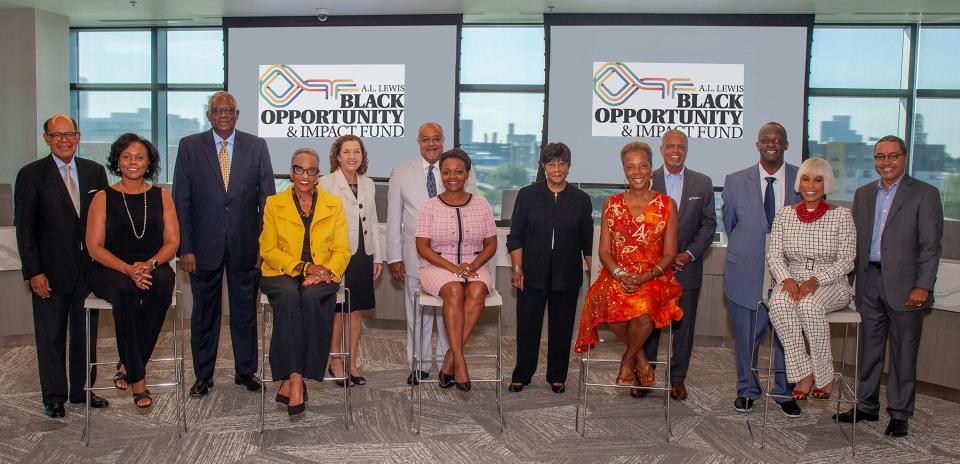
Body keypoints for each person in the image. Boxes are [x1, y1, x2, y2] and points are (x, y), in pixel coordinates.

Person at [834, 135, 943, 438]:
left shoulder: (925, 194)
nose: (886, 163)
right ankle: (866, 406)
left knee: (904, 353)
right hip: (869, 283)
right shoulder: (864, 194)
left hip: (907, 288)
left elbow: (930, 247)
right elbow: (855, 243)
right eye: (880, 157)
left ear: (904, 158)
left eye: (892, 156)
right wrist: (848, 284)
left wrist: (923, 285)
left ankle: (899, 413)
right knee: (868, 350)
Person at [173, 91, 275, 397]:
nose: (223, 114)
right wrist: (185, 248)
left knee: (245, 313)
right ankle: (203, 375)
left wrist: (264, 248)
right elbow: (182, 200)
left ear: (237, 114)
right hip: (202, 248)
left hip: (247, 246)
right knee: (204, 314)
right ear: (208, 115)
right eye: (217, 109)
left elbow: (267, 200)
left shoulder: (256, 146)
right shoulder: (190, 146)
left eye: (228, 109)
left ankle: (246, 371)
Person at [14, 114, 110, 417]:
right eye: (56, 135)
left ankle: (83, 391)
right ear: (47, 139)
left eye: (69, 134)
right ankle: (54, 397)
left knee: (85, 334)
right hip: (49, 273)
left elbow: (104, 222)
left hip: (89, 271)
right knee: (51, 335)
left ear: (78, 136)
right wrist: (34, 272)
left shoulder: (95, 172)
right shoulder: (31, 175)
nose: (64, 140)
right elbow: (24, 228)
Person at [574, 141, 683, 396]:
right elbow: (604, 251)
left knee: (643, 311)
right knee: (604, 301)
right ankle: (641, 358)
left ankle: (627, 359)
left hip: (654, 275)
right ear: (624, 170)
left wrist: (646, 275)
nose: (637, 172)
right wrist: (621, 274)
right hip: (616, 273)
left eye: (642, 166)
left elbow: (670, 253)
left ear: (651, 169)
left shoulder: (667, 204)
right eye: (630, 167)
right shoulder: (611, 203)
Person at [86, 133, 180, 408]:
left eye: (140, 157)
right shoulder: (103, 197)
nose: (133, 162)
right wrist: (128, 269)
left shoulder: (162, 196)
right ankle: (138, 380)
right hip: (110, 267)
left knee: (162, 285)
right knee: (126, 290)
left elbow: (173, 242)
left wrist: (149, 264)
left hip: (153, 263)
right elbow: (94, 247)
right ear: (117, 160)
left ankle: (128, 364)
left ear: (149, 162)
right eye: (126, 156)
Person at [259, 148, 351, 416]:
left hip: (323, 273)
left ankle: (293, 378)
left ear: (318, 175)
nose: (305, 175)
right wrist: (304, 267)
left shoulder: (333, 205)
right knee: (289, 297)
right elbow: (268, 249)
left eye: (311, 171)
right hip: (282, 272)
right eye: (299, 169)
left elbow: (343, 250)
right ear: (291, 172)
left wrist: (324, 271)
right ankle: (296, 378)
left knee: (311, 297)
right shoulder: (274, 203)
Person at [721, 122, 802, 416]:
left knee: (787, 336)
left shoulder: (801, 179)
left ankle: (784, 392)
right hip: (745, 269)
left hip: (791, 274)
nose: (772, 143)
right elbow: (731, 224)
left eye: (778, 139)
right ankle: (747, 390)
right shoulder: (734, 180)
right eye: (766, 139)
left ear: (786, 144)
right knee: (747, 336)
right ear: (757, 144)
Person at [386, 122, 477, 385]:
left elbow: (473, 211)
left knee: (450, 310)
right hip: (414, 255)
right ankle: (419, 364)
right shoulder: (401, 171)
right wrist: (395, 257)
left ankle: (446, 361)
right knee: (417, 312)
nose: (431, 143)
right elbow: (394, 218)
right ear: (418, 141)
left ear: (443, 140)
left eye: (436, 138)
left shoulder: (458, 168)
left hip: (453, 259)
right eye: (425, 138)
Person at [766, 157, 855, 405]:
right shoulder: (784, 214)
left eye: (818, 179)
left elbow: (847, 260)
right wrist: (785, 279)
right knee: (780, 306)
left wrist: (817, 279)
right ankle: (804, 373)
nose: (811, 185)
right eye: (806, 178)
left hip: (831, 282)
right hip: (792, 279)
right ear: (798, 182)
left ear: (826, 184)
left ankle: (825, 375)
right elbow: (774, 254)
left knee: (809, 305)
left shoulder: (842, 216)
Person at [506, 142, 593, 394]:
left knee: (562, 327)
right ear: (544, 166)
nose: (556, 168)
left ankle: (557, 375)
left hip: (567, 275)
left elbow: (587, 240)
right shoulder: (528, 194)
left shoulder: (581, 199)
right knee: (528, 326)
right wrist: (517, 269)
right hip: (531, 273)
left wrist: (593, 273)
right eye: (551, 163)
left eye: (562, 163)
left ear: (568, 167)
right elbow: (516, 236)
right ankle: (522, 373)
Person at [641, 130, 717, 401]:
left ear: (687, 150)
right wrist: (659, 259)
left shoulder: (703, 183)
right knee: (649, 326)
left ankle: (677, 379)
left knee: (683, 329)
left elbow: (709, 225)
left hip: (687, 267)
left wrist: (689, 254)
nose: (676, 151)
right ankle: (645, 375)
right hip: (652, 270)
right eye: (670, 146)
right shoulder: (647, 180)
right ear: (661, 149)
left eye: (681, 147)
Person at [415, 149, 497, 392]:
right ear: (440, 175)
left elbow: (491, 244)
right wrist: (453, 268)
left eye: (458, 172)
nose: (453, 176)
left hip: (475, 264)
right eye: (447, 172)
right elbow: (422, 246)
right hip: (437, 266)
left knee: (477, 290)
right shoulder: (430, 206)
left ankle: (450, 358)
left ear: (467, 174)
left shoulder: (481, 203)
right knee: (453, 290)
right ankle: (460, 361)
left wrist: (471, 266)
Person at [318, 135, 384, 386]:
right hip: (336, 253)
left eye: (357, 151)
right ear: (337, 156)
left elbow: (374, 220)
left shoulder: (368, 184)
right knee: (337, 309)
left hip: (363, 253)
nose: (352, 156)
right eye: (346, 152)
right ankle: (335, 360)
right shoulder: (326, 182)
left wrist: (376, 256)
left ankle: (352, 362)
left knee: (356, 311)